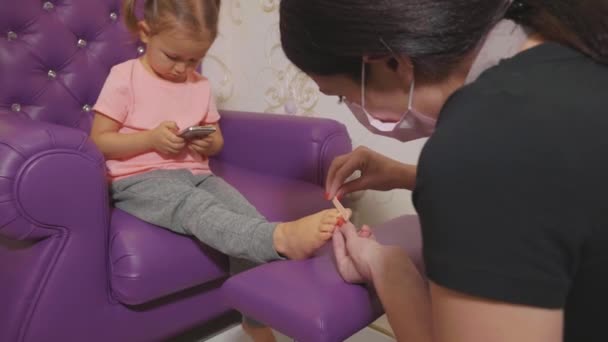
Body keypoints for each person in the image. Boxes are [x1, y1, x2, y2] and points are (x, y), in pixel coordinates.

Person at [280, 0, 608, 341]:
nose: (351, 107)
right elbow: (554, 192)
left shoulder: (484, 145)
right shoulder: (568, 41)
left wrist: (389, 270)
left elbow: (504, 171)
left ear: (390, 62)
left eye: (340, 96)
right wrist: (406, 176)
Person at [90, 1, 347, 341]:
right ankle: (281, 238)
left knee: (244, 214)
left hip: (197, 174)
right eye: (172, 57)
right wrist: (150, 139)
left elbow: (216, 138)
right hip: (139, 179)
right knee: (196, 209)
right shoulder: (125, 77)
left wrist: (205, 144)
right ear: (145, 33)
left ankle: (255, 320)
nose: (183, 69)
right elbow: (99, 141)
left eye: (194, 59)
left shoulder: (200, 85)